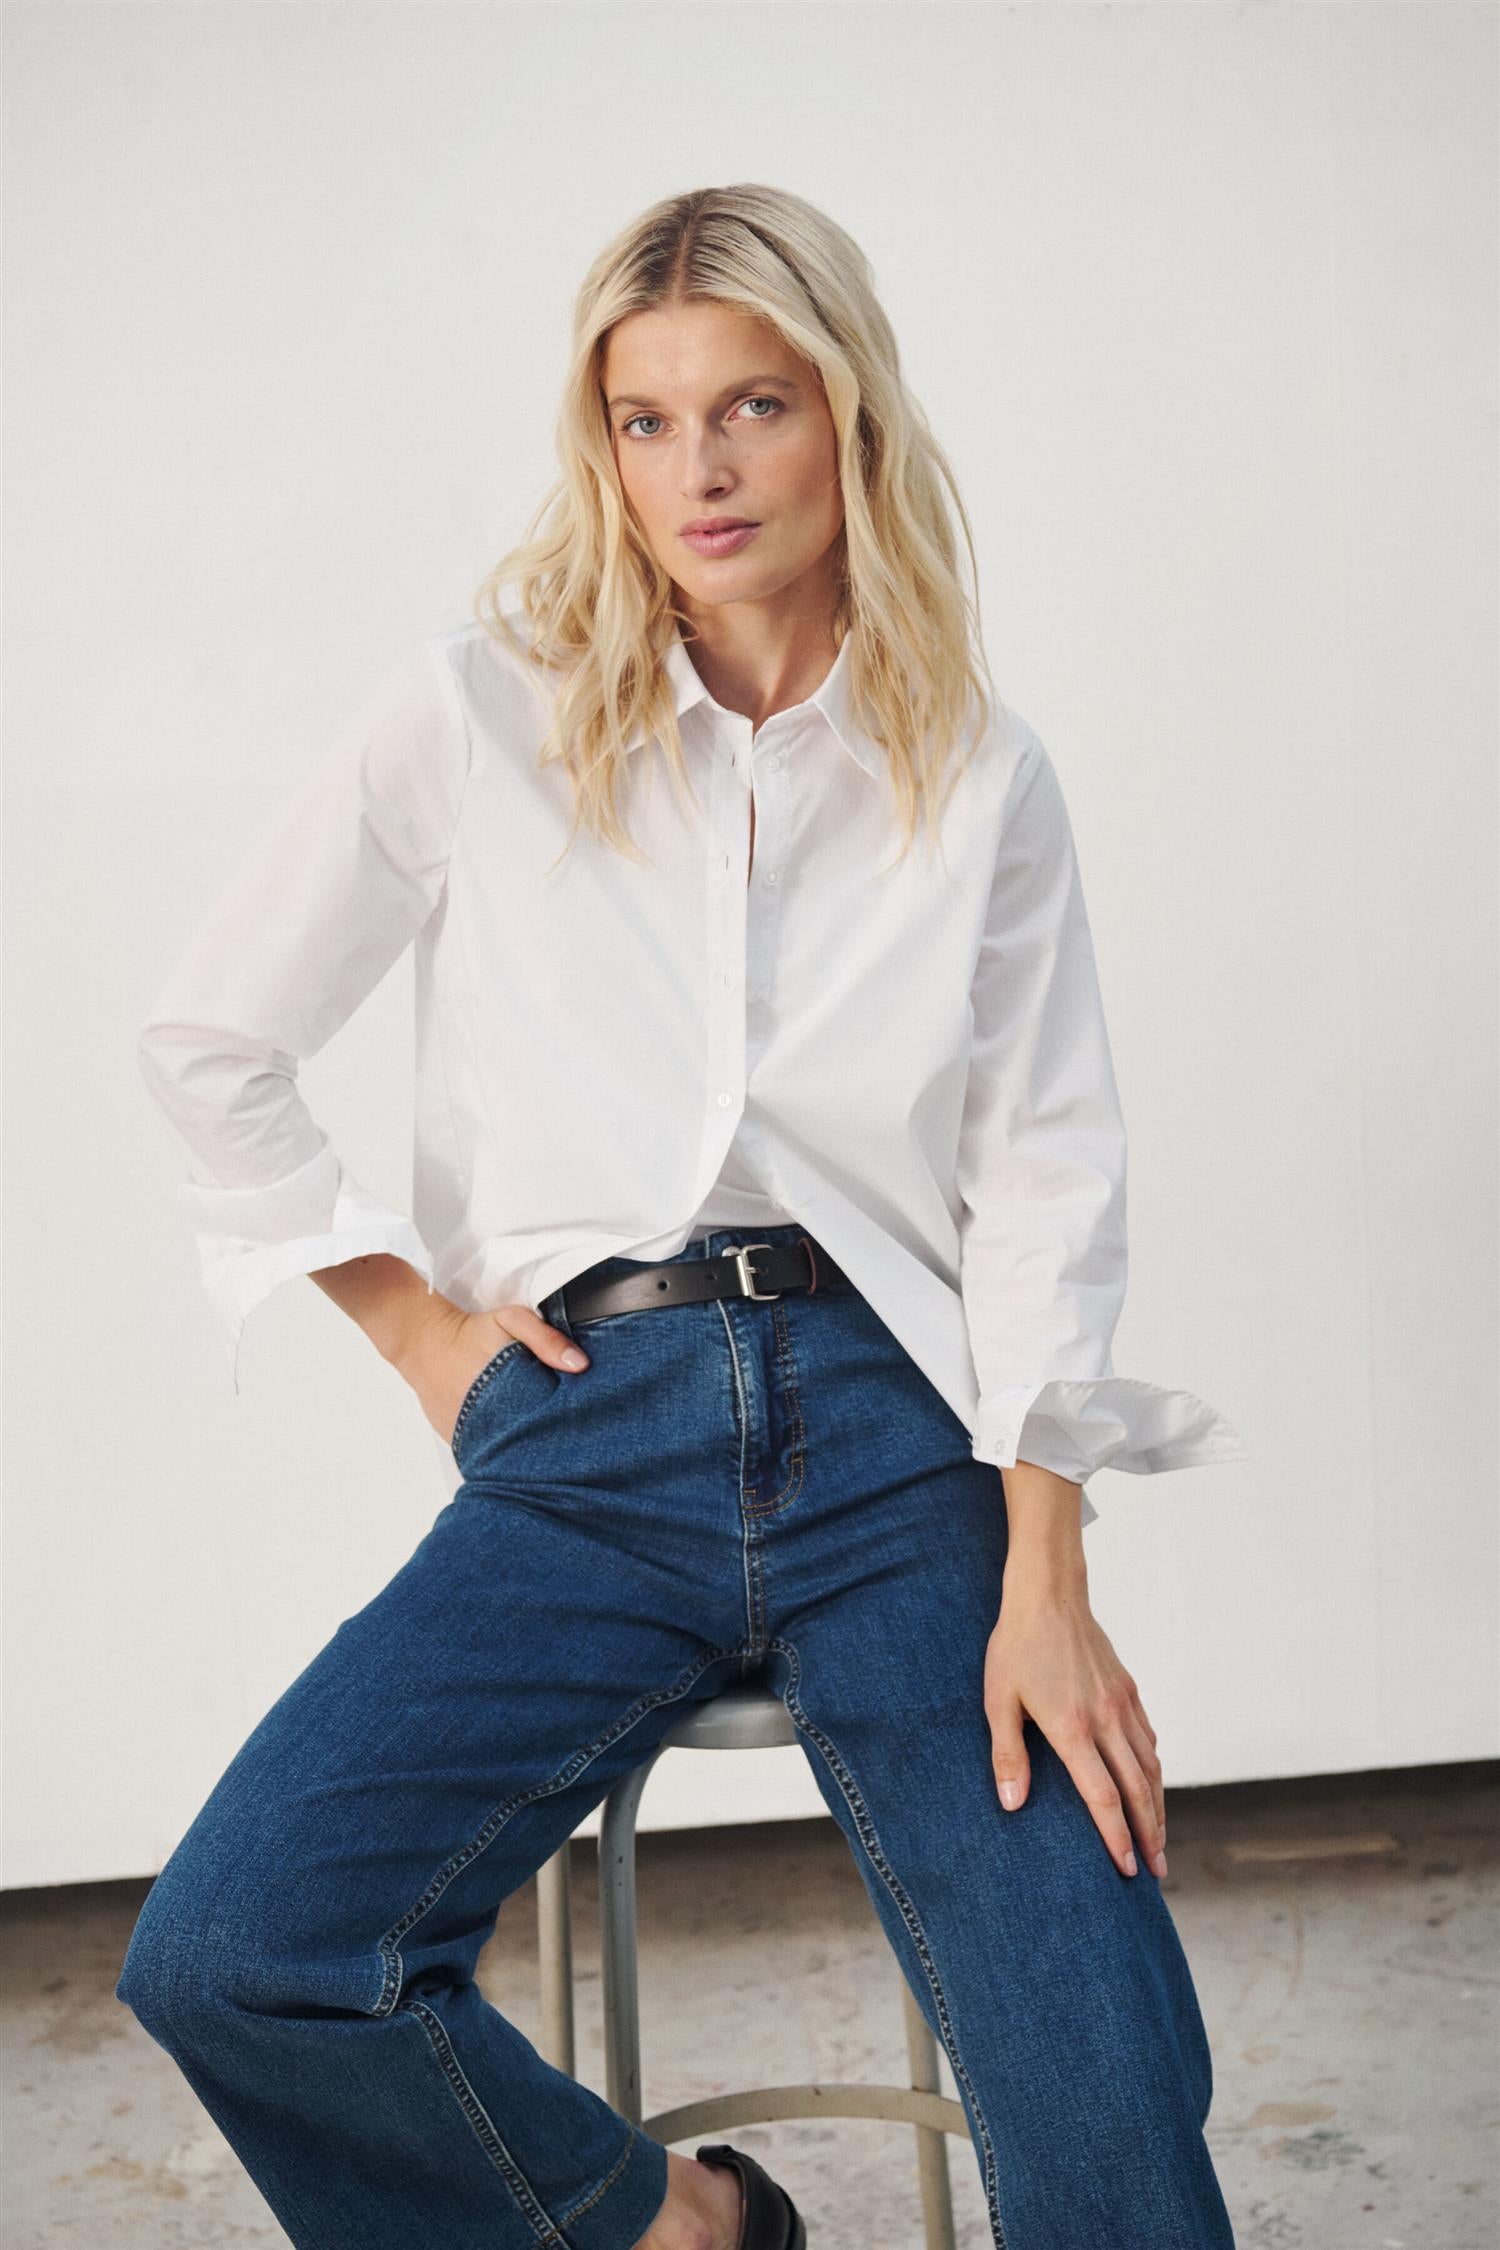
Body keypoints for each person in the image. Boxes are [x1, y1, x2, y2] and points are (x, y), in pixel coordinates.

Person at [116, 182, 1248, 2250]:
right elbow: (212, 1040)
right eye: (645, 421)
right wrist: (419, 1330)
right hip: (584, 1441)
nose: (699, 469)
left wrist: (1048, 1568)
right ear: (604, 450)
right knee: (238, 1947)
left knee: (1098, 2082)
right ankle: (679, 2228)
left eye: (752, 406)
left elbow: (1041, 1179)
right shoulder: (479, 713)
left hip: (903, 1446)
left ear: (849, 416)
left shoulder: (977, 773)